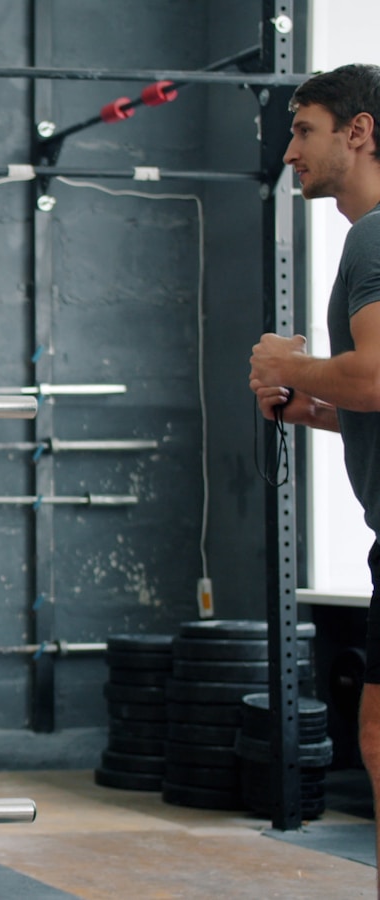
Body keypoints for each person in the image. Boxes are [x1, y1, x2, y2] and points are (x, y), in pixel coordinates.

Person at [248, 62, 380, 880]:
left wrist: (289, 366)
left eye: (304, 130)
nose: (290, 150)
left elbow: (375, 375)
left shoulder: (374, 235)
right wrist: (317, 412)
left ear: (359, 132)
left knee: (375, 734)